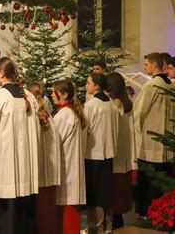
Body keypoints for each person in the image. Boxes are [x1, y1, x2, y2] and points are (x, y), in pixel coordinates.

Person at [0, 57, 39, 234]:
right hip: (25, 165)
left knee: (0, 217)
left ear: (1, 73)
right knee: (22, 216)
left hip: (4, 165)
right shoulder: (30, 96)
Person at [133, 52, 175, 217]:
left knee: (149, 179)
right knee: (163, 176)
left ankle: (146, 210)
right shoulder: (170, 84)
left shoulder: (152, 85)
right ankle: (164, 210)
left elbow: (139, 111)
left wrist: (136, 131)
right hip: (166, 138)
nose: (145, 67)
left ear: (154, 65)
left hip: (151, 138)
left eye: (146, 64)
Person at [84, 73, 119, 234]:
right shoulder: (111, 103)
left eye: (88, 83)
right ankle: (109, 226)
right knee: (107, 190)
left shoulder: (91, 105)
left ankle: (96, 227)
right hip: (109, 152)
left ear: (96, 86)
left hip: (93, 153)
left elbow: (86, 129)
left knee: (95, 192)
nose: (86, 86)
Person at [51, 79, 86, 234]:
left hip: (67, 168)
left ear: (64, 95)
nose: (51, 95)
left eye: (54, 92)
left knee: (68, 213)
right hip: (69, 167)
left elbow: (54, 141)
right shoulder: (68, 112)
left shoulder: (65, 115)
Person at [27, 82, 60, 234]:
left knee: (39, 213)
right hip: (50, 171)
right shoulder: (49, 117)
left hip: (38, 172)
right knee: (48, 212)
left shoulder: (34, 120)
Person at [106, 72, 137, 229]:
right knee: (120, 195)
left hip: (115, 155)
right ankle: (118, 222)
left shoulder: (112, 105)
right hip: (125, 155)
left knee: (114, 195)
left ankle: (114, 223)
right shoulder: (127, 104)